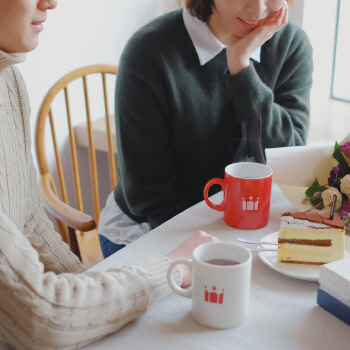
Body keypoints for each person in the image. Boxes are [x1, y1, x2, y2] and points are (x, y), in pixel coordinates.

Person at [0, 1, 219, 349]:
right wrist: (172, 267)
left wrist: (87, 289)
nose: (51, 2)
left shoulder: (7, 76)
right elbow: (41, 318)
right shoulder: (150, 49)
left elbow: (28, 220)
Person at [98, 0, 313, 257]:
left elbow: (289, 156)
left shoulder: (291, 45)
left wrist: (241, 67)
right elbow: (149, 194)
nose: (257, 10)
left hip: (241, 224)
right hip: (151, 227)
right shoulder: (149, 52)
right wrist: (215, 247)